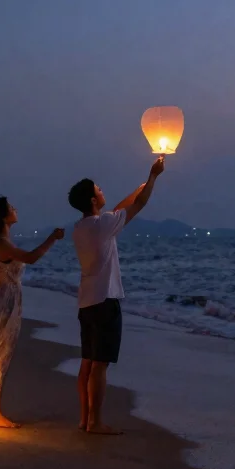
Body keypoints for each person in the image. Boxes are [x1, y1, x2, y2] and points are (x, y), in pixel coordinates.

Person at [68, 156, 165, 435]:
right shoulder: (103, 225)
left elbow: (117, 210)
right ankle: (95, 422)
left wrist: (139, 187)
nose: (102, 190)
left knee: (88, 362)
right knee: (100, 365)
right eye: (98, 189)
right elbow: (137, 206)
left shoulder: (82, 227)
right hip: (105, 301)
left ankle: (85, 419)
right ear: (92, 199)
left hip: (87, 302)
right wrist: (154, 176)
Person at [0, 196, 64, 427]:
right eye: (11, 207)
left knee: (0, 354)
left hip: (7, 300)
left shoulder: (2, 242)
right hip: (5, 302)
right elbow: (31, 258)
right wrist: (52, 238)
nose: (15, 209)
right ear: (2, 216)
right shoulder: (2, 244)